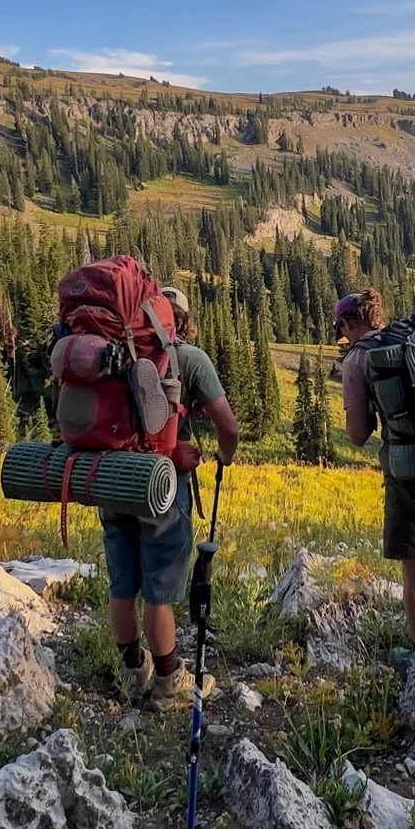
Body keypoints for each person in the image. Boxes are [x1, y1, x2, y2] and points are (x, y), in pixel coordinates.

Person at [99, 284, 239, 708]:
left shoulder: (116, 353)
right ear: (181, 319)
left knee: (122, 584)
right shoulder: (190, 358)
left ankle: (132, 671)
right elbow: (228, 428)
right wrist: (224, 456)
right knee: (160, 589)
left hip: (113, 478)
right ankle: (168, 681)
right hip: (161, 485)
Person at [336, 289, 415, 645]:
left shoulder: (359, 359)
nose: (343, 336)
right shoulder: (412, 338)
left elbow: (358, 435)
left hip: (407, 468)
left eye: (341, 329)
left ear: (349, 323)